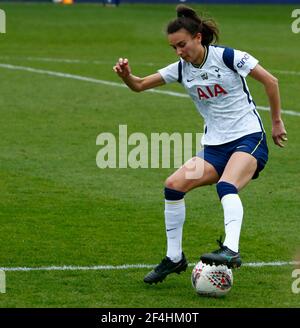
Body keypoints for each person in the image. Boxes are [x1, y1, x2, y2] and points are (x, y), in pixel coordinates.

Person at [113, 5, 287, 285]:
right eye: (173, 48)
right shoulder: (181, 70)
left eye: (182, 44)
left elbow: (271, 81)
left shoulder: (229, 57)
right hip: (215, 147)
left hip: (248, 138)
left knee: (226, 186)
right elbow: (141, 84)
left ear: (198, 37)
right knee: (173, 185)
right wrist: (126, 76)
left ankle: (231, 249)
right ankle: (174, 258)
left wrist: (276, 121)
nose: (179, 52)